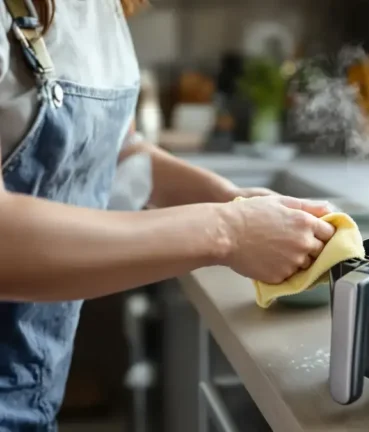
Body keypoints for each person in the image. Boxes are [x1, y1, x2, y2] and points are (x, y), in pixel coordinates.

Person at [0, 0, 336, 429]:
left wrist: (229, 199)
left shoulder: (104, 10)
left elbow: (114, 154)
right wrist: (229, 231)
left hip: (34, 396)